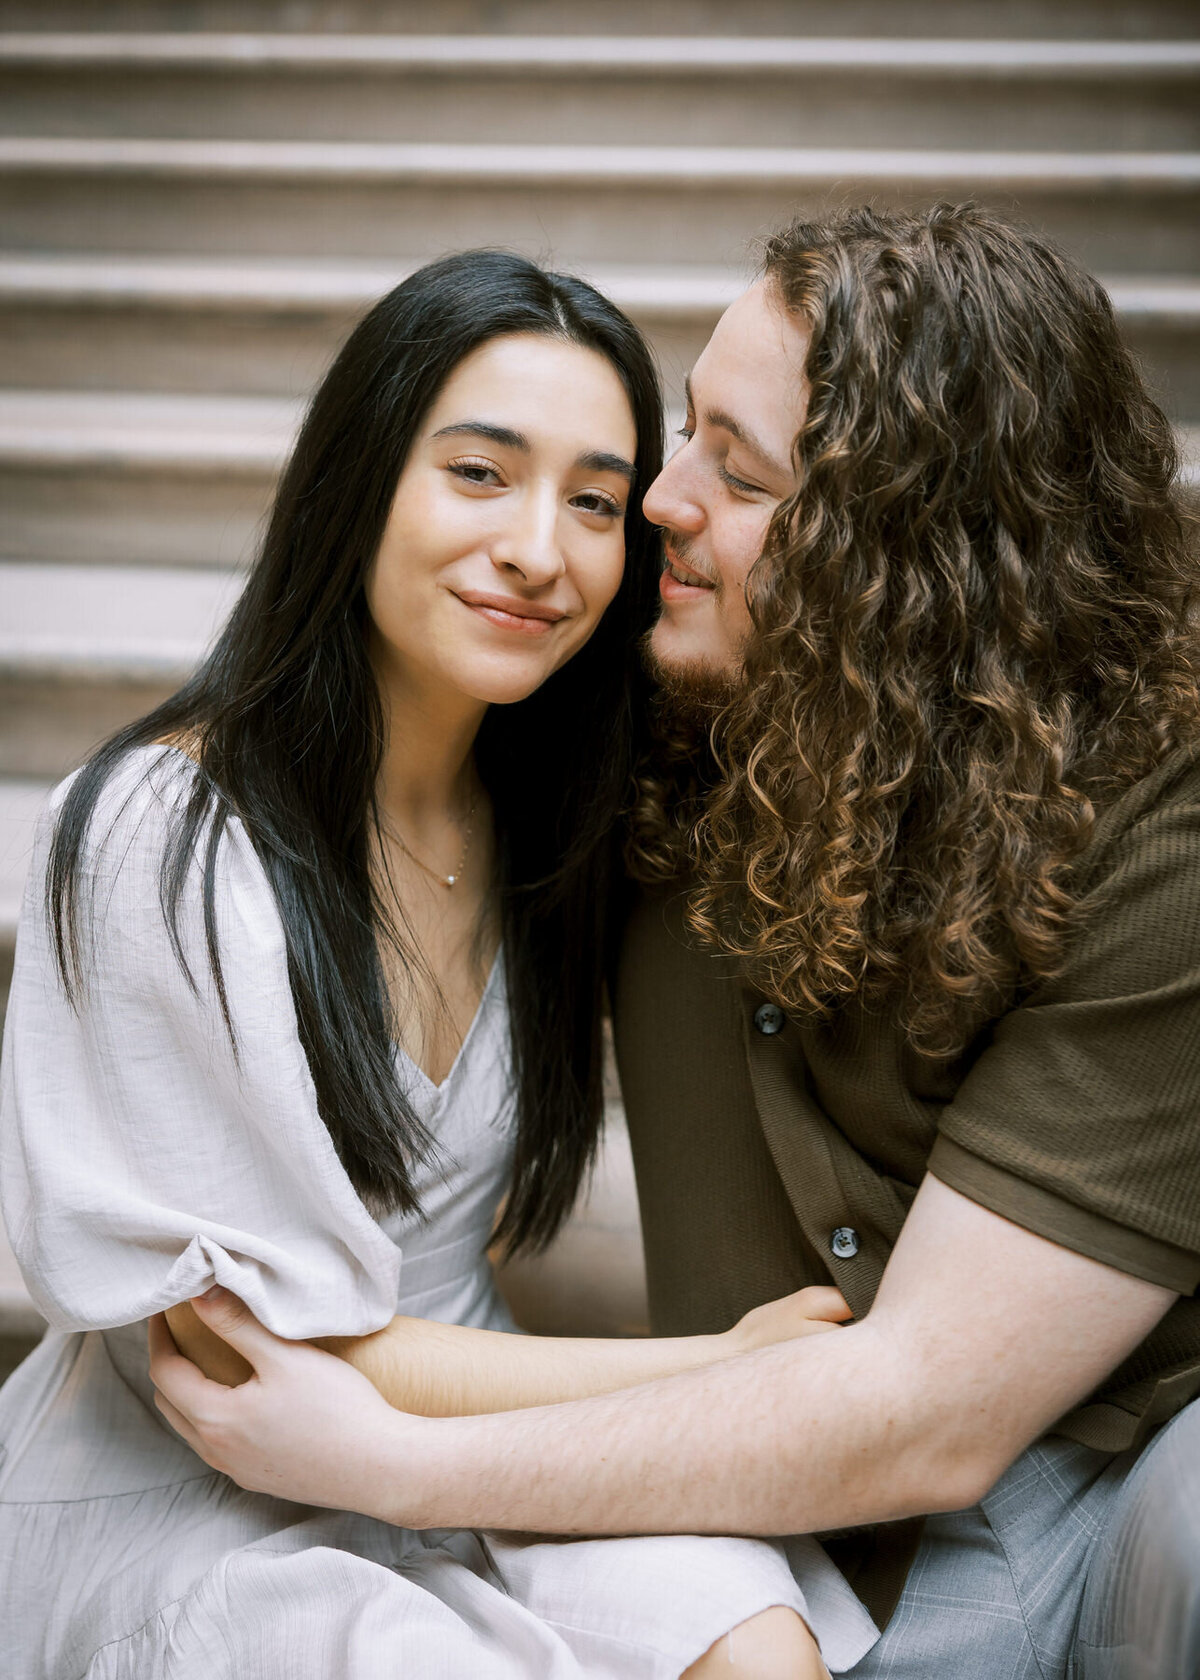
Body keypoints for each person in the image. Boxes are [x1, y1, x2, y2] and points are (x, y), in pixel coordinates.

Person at [150, 205, 1200, 1679]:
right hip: (748, 1485)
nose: (657, 499)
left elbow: (928, 1413)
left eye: (739, 470)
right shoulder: (660, 685)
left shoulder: (1159, 834)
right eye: (687, 429)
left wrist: (386, 1465)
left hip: (1089, 1465)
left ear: (897, 564)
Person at [0, 250, 885, 1680]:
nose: (543, 549)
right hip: (206, 1477)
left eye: (596, 501)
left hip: (460, 1438)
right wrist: (723, 1370)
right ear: (360, 485)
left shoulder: (553, 816)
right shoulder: (159, 843)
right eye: (479, 473)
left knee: (750, 1623)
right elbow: (259, 1356)